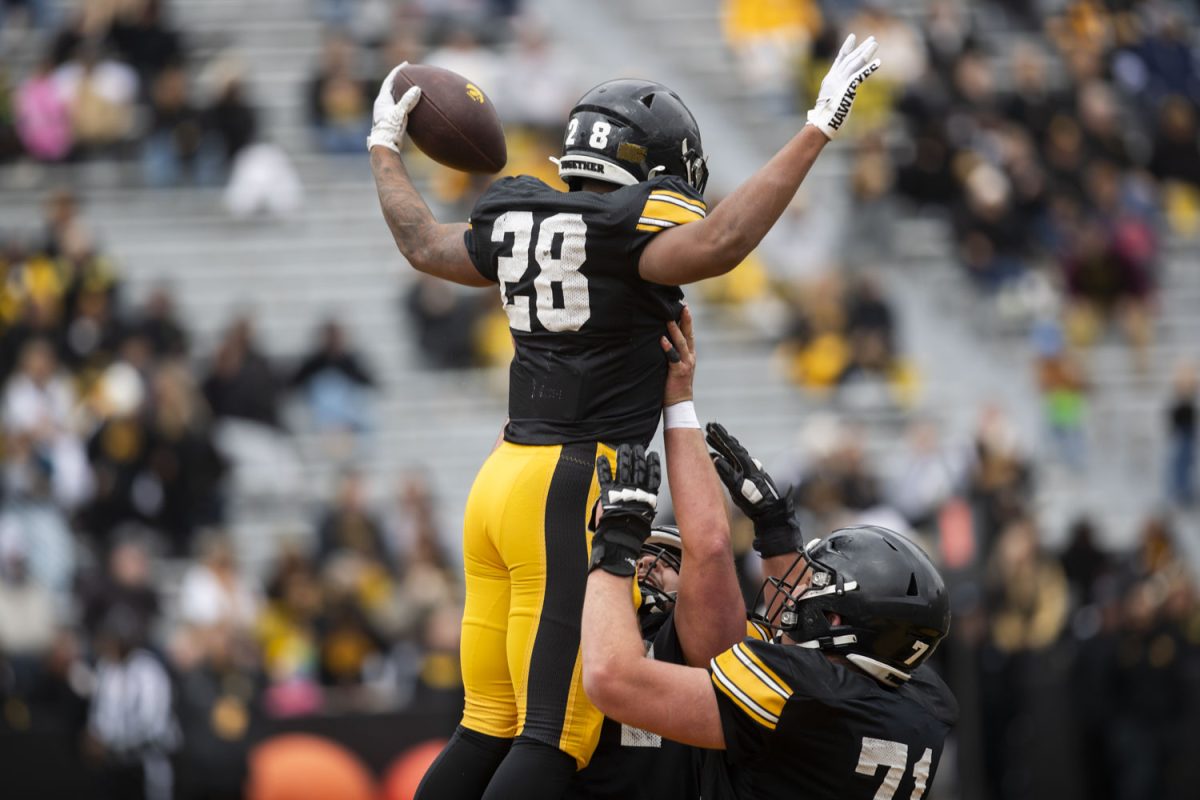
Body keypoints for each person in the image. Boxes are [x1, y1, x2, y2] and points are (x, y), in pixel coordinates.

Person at [368, 34, 882, 800]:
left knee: (486, 724)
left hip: (501, 480)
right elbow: (725, 240)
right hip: (571, 486)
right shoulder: (625, 234)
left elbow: (421, 242)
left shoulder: (521, 215)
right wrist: (817, 127)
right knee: (554, 738)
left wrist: (383, 146)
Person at [582, 432, 957, 799]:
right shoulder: (924, 701)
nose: (796, 594)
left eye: (815, 590)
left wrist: (614, 547)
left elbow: (611, 678)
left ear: (838, 621)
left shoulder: (807, 696)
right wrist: (776, 528)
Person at [567, 310, 743, 800]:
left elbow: (709, 548)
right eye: (639, 553)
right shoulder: (569, 616)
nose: (647, 564)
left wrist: (681, 400)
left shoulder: (696, 645)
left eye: (667, 561)